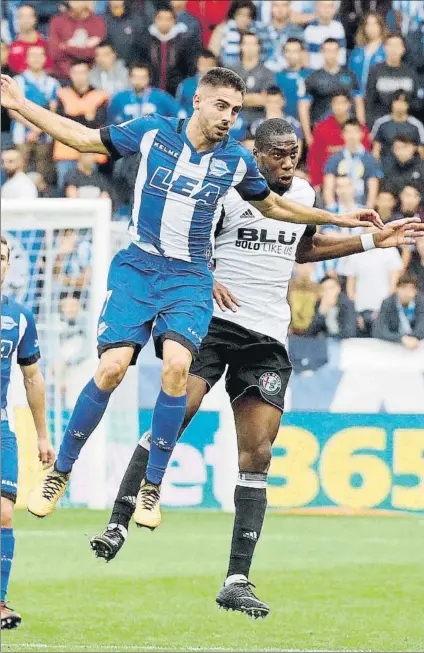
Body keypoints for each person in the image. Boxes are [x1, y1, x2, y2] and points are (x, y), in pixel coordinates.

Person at [1, 66, 382, 522]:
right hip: (139, 268)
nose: (228, 117)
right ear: (197, 101)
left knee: (178, 368)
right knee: (110, 368)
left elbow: (275, 206)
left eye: (236, 111)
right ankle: (60, 470)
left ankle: (152, 486)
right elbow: (82, 138)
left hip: (189, 277)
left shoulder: (236, 160)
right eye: (221, 106)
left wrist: (339, 219)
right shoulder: (152, 132)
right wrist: (21, 106)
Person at [88, 118, 421, 618]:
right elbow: (188, 242)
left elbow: (303, 248)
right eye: (279, 154)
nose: (289, 163)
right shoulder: (228, 187)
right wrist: (207, 277)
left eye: (295, 153)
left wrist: (375, 241)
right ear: (257, 155)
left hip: (267, 333)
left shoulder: (304, 192)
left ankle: (237, 578)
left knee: (258, 452)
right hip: (214, 322)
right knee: (177, 414)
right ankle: (118, 519)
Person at [0, 234, 55, 630]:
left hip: (1, 428)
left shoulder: (19, 318)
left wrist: (42, 435)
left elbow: (32, 379)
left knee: (4, 514)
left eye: (3, 258)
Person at [53, 60, 109, 188]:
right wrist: (86, 116)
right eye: (76, 72)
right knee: (65, 189)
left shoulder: (100, 95)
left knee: (91, 189)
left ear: (89, 74)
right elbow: (61, 120)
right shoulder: (62, 93)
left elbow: (98, 121)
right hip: (65, 151)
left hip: (91, 151)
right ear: (70, 74)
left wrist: (72, 115)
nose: (79, 76)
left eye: (83, 72)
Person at [298, 38, 363, 147]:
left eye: (333, 50)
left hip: (347, 130)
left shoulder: (350, 75)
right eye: (327, 51)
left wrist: (361, 129)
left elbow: (359, 103)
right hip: (321, 130)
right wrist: (308, 136)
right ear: (322, 52)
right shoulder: (312, 77)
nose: (330, 54)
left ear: (338, 52)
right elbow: (303, 107)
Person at [12, 45, 60, 183]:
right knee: (19, 173)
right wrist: (32, 128)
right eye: (33, 55)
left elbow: (52, 111)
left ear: (45, 58)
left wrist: (38, 129)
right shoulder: (17, 81)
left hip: (45, 135)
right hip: (21, 135)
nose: (36, 59)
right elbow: (12, 110)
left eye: (40, 55)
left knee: (42, 175)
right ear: (27, 59)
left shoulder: (52, 83)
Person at [345, 226, 403, 336]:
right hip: (361, 309)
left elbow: (394, 284)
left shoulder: (391, 251)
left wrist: (382, 310)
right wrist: (356, 312)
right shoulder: (355, 253)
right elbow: (350, 286)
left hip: (383, 309)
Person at [307, 91, 370, 190]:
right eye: (336, 103)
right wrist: (317, 182)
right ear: (331, 105)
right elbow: (314, 157)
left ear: (349, 104)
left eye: (342, 103)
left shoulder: (360, 128)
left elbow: (365, 153)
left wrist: (338, 150)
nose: (339, 106)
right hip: (327, 180)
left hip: (357, 178)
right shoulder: (321, 127)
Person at [134, 8, 197, 97]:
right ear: (155, 20)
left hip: (176, 91)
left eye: (168, 19)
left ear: (174, 21)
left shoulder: (183, 42)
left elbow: (189, 68)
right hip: (150, 91)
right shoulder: (146, 40)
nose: (164, 22)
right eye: (161, 18)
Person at [323, 119, 382, 209]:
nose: (352, 136)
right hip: (339, 209)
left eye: (355, 132)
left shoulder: (370, 160)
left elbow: (372, 191)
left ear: (362, 134)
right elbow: (328, 188)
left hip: (362, 207)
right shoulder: (334, 159)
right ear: (342, 135)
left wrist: (367, 213)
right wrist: (333, 210)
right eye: (348, 132)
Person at [365, 33, 420, 129]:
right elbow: (369, 101)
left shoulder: (410, 72)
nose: (394, 49)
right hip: (380, 124)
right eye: (390, 45)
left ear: (403, 49)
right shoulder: (375, 71)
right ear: (385, 48)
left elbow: (416, 101)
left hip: (406, 124)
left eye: (397, 46)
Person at [48, 0, 106, 81]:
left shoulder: (98, 22)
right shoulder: (57, 21)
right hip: (63, 77)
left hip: (93, 79)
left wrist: (66, 47)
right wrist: (85, 46)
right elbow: (54, 53)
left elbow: (97, 53)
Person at [230, 32, 276, 128]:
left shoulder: (268, 73)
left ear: (259, 47)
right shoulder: (231, 72)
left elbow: (265, 100)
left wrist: (237, 98)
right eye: (246, 44)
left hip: (258, 122)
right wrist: (253, 97)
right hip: (233, 123)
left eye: (253, 44)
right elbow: (226, 98)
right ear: (240, 46)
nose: (250, 48)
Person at [208, 0, 273, 68]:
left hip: (256, 73)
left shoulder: (260, 31)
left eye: (248, 15)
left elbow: (267, 54)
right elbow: (212, 55)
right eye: (240, 14)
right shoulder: (222, 29)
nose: (244, 19)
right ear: (234, 15)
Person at [108, 64, 179, 124]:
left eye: (142, 78)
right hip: (126, 138)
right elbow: (110, 122)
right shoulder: (119, 98)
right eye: (135, 77)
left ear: (149, 79)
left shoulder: (161, 96)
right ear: (129, 78)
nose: (138, 81)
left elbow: (178, 115)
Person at [371, 91, 424, 168]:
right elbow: (376, 150)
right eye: (397, 100)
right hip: (386, 167)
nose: (400, 104)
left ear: (408, 105)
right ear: (392, 103)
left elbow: (421, 151)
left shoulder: (416, 125)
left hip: (411, 168)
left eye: (403, 101)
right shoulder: (381, 123)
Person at [250, 86, 303, 158]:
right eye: (270, 102)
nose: (273, 106)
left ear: (283, 102)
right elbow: (252, 149)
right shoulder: (256, 125)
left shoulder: (293, 124)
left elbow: (297, 152)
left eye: (276, 102)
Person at [373, 275, 424, 347]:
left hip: (416, 344)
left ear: (415, 291)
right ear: (397, 289)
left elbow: (422, 327)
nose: (407, 292)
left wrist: (412, 338)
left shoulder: (421, 302)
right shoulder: (388, 303)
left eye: (411, 289)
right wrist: (401, 338)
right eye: (403, 288)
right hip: (394, 344)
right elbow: (379, 330)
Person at [7, 4, 52, 75]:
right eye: (21, 16)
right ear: (16, 20)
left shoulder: (46, 43)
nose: (26, 20)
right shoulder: (11, 46)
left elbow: (50, 69)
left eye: (29, 16)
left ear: (35, 19)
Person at [348, 12, 387, 92]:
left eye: (374, 24)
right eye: (368, 24)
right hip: (357, 97)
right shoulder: (356, 52)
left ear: (381, 26)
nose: (371, 28)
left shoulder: (386, 50)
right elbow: (350, 76)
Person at [274, 38, 311, 120]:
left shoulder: (311, 75)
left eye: (295, 51)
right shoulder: (277, 77)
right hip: (285, 124)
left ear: (302, 53)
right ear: (284, 54)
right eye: (288, 51)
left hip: (308, 123)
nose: (291, 55)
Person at [103, 0, 149, 67]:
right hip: (110, 67)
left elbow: (143, 46)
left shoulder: (136, 19)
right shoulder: (102, 20)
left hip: (132, 67)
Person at [262, 0, 304, 73]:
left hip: (289, 75)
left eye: (284, 5)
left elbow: (304, 59)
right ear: (271, 7)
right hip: (264, 76)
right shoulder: (261, 31)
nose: (280, 9)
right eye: (276, 5)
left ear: (289, 7)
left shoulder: (298, 31)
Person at [303, 0, 346, 70]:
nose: (327, 9)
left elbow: (341, 57)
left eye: (330, 6)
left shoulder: (339, 27)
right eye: (323, 6)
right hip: (314, 73)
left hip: (334, 73)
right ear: (317, 8)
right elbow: (306, 58)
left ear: (334, 9)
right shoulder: (309, 30)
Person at [176, 50, 217, 118]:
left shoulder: (222, 87)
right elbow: (176, 107)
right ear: (198, 65)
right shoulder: (185, 85)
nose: (206, 68)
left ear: (215, 66)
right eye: (203, 65)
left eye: (209, 65)